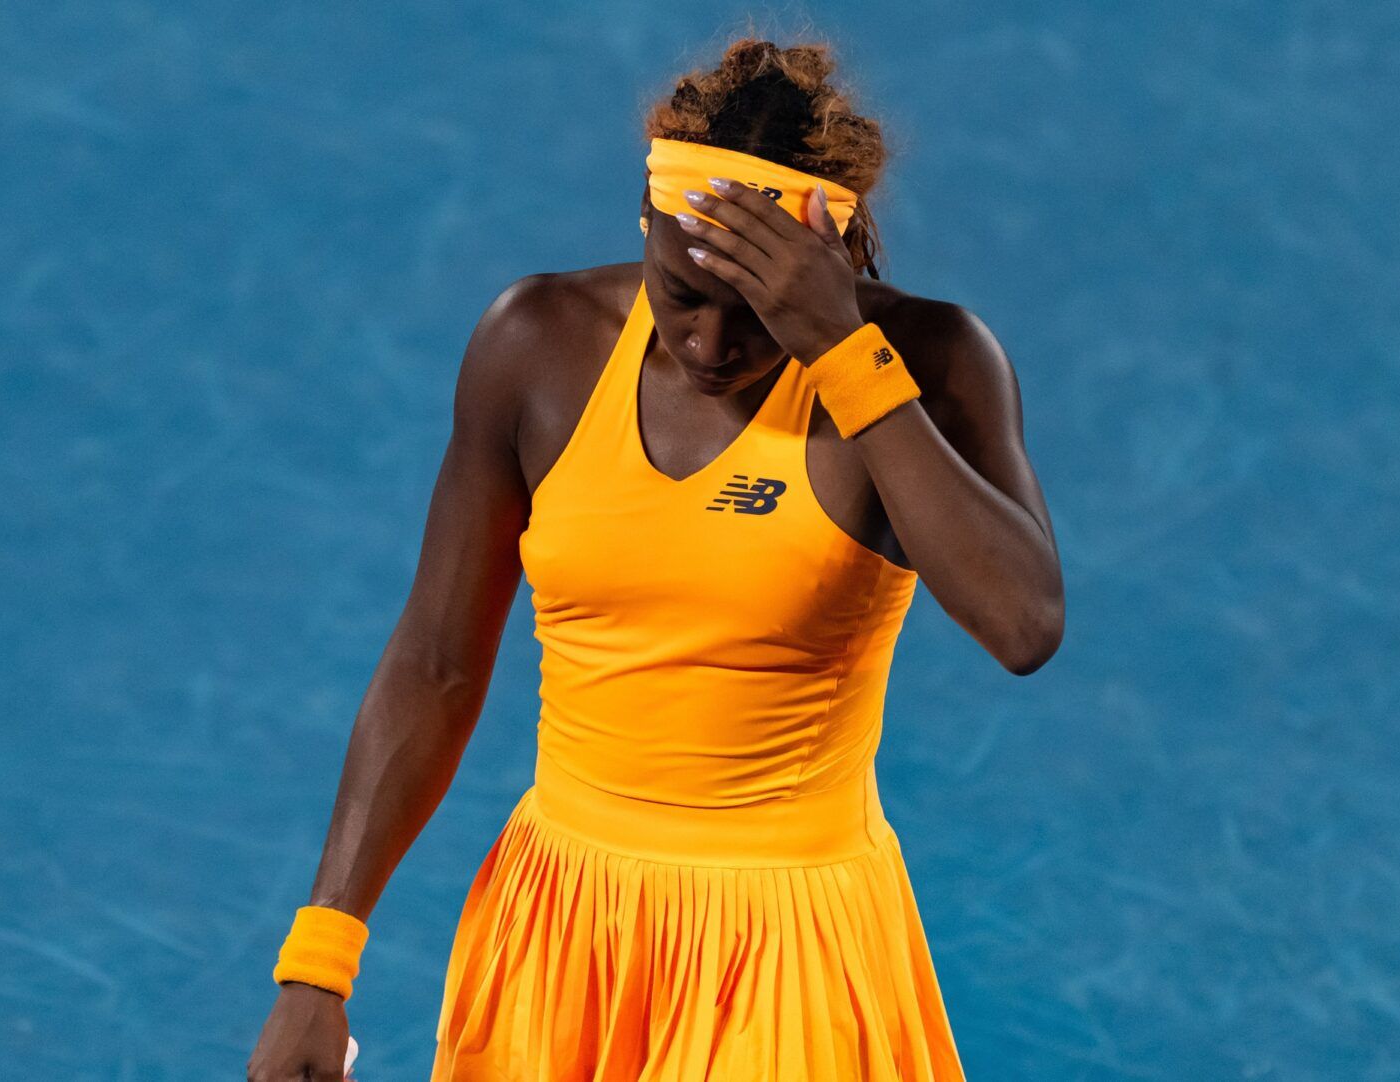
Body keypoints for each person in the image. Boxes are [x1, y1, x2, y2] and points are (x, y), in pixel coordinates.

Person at [249, 35, 1063, 1082]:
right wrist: (318, 964)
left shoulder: (929, 361)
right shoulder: (534, 345)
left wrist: (841, 352)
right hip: (558, 931)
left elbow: (1024, 623)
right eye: (684, 291)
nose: (714, 342)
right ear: (644, 227)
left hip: (791, 950)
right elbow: (437, 665)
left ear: (828, 271)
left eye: (759, 308)